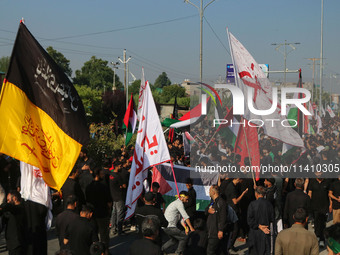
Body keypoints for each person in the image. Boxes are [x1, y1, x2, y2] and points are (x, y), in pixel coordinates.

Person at [86, 168, 112, 252]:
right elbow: (109, 202)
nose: (103, 175)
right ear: (97, 175)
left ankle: (95, 251)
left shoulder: (88, 187)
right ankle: (104, 251)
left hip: (92, 214)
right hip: (103, 214)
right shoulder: (103, 187)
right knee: (104, 235)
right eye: (101, 174)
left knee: (94, 235)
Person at [162, 191, 195, 255]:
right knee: (184, 237)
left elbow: (181, 220)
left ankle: (162, 249)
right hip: (170, 226)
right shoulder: (179, 203)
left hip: (167, 227)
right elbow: (185, 216)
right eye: (187, 199)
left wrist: (185, 227)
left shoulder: (177, 203)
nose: (187, 201)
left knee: (175, 240)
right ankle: (178, 253)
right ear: (182, 197)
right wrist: (191, 227)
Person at [247, 186, 275, 255]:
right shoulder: (269, 204)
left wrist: (259, 226)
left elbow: (249, 220)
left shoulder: (252, 204)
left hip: (254, 234)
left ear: (256, 194)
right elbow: (272, 219)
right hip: (266, 233)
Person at [0, 190, 26, 255]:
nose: (8, 202)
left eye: (8, 200)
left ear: (14, 198)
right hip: (11, 244)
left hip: (17, 244)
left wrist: (2, 206)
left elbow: (7, 206)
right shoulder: (12, 211)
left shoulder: (19, 208)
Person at [308, 173, 331, 247]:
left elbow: (329, 194)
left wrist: (330, 205)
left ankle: (322, 239)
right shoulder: (312, 182)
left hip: (324, 207)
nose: (319, 174)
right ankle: (317, 235)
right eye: (317, 172)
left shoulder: (327, 182)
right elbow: (310, 193)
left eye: (320, 172)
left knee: (323, 223)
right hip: (314, 206)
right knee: (316, 223)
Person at [205, 185, 228, 255]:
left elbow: (223, 217)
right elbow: (206, 210)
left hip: (216, 232)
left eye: (210, 191)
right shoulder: (212, 201)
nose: (208, 192)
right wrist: (208, 211)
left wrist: (221, 230)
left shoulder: (221, 203)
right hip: (210, 230)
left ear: (214, 192)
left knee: (210, 251)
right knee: (218, 251)